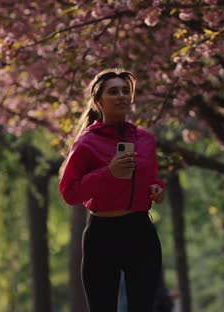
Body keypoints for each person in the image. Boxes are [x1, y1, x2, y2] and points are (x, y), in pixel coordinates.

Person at [59, 68, 165, 312]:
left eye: (125, 91)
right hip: (102, 236)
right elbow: (69, 192)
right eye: (113, 91)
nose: (121, 96)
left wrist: (158, 190)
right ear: (98, 101)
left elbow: (153, 179)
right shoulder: (86, 142)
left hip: (141, 234)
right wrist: (108, 173)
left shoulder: (146, 139)